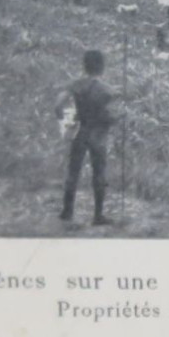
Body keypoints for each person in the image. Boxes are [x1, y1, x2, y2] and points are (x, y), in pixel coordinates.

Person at [57, 49, 118, 226]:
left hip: (80, 131)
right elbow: (109, 114)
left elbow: (58, 105)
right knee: (99, 173)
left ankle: (67, 211)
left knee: (73, 171)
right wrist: (115, 120)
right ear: (102, 66)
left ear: (84, 65)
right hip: (98, 134)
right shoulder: (107, 90)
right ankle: (98, 216)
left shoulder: (75, 85)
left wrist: (66, 122)